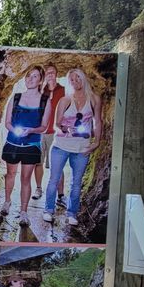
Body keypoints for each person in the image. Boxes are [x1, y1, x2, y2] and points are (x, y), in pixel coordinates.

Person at [44, 66, 102, 227]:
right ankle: (48, 210)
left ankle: (72, 213)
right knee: (54, 179)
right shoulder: (65, 100)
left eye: (78, 78)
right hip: (61, 146)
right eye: (72, 79)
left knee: (76, 183)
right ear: (68, 82)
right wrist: (66, 128)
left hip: (82, 148)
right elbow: (57, 124)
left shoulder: (94, 99)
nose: (75, 81)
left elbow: (98, 121)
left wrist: (96, 142)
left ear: (83, 79)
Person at [1, 66, 54, 225]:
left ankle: (24, 212)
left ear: (40, 80)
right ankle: (7, 201)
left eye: (35, 76)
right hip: (13, 142)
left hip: (32, 144)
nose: (30, 79)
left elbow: (44, 126)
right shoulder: (15, 98)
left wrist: (31, 130)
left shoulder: (45, 101)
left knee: (26, 178)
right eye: (28, 76)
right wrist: (15, 131)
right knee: (10, 174)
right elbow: (7, 123)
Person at [35, 64, 67, 208]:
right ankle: (38, 188)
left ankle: (61, 196)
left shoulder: (63, 90)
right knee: (38, 161)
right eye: (47, 73)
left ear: (56, 74)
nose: (50, 75)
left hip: (56, 133)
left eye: (52, 72)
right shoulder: (41, 91)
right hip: (41, 132)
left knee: (58, 165)